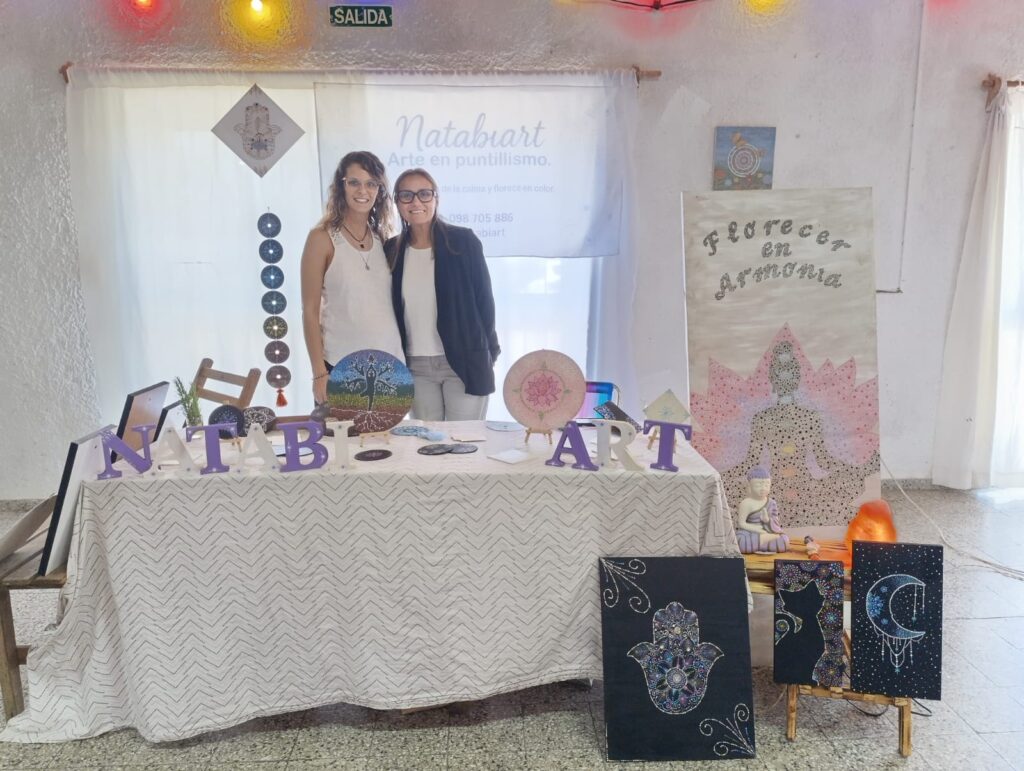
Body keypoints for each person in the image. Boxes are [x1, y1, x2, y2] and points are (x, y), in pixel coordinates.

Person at [386, 168, 500, 421]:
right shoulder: (391, 250)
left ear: (436, 198)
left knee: (464, 440)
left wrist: (489, 353)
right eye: (406, 195)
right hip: (415, 366)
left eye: (424, 194)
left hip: (463, 362)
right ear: (397, 202)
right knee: (427, 440)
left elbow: (485, 302)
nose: (416, 202)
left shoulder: (463, 242)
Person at [300, 151, 404, 405]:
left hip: (390, 369)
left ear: (379, 190)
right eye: (354, 182)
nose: (363, 191)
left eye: (371, 184)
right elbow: (310, 311)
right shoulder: (321, 238)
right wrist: (319, 373)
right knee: (341, 434)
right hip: (340, 367)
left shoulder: (384, 239)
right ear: (341, 186)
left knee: (394, 435)